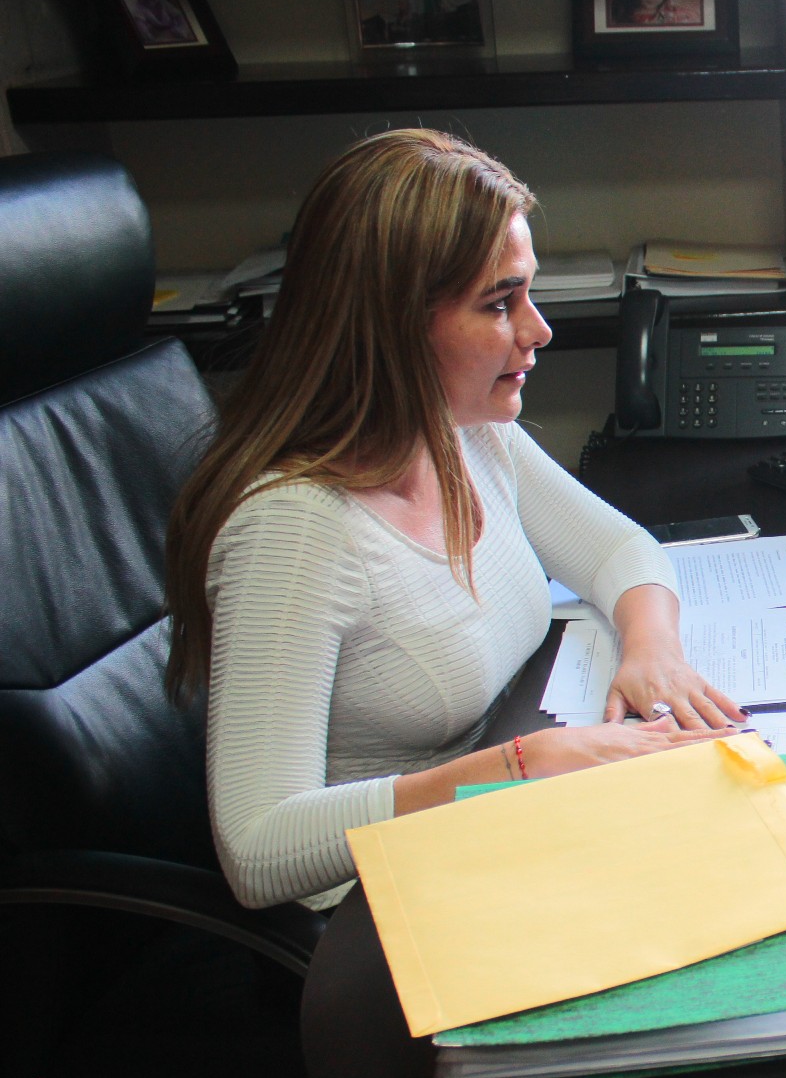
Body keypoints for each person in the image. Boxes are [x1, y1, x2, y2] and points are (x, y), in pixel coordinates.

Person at [164, 129, 745, 912]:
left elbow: (618, 549)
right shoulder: (295, 531)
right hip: (381, 911)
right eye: (500, 304)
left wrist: (654, 651)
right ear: (392, 324)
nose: (537, 330)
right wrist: (520, 769)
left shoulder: (466, 433)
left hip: (492, 842)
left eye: (528, 294)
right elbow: (257, 848)